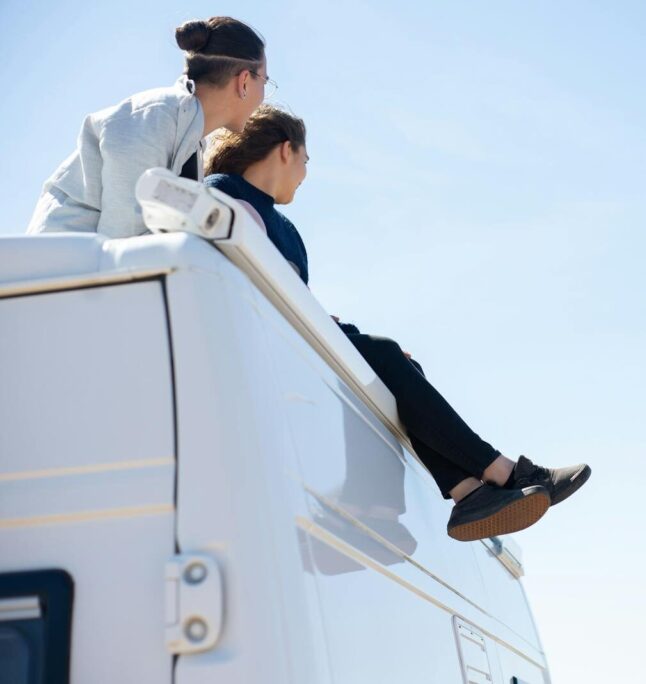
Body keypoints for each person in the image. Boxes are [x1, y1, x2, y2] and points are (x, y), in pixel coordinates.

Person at [203, 105, 592, 542]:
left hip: (295, 334)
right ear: (286, 150)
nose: (305, 175)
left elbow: (294, 298)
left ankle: (467, 493)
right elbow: (255, 285)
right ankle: (504, 472)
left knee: (402, 365)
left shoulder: (284, 226)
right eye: (306, 162)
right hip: (264, 341)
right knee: (385, 352)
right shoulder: (223, 194)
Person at [27, 17, 272, 238]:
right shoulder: (156, 115)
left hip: (80, 272)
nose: (264, 95)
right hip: (55, 274)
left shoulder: (186, 133)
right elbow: (123, 242)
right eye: (265, 80)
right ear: (244, 82)